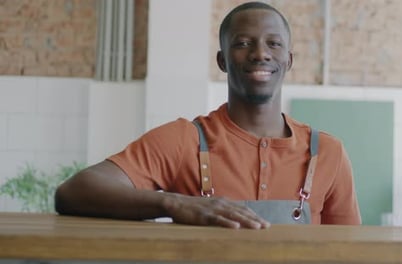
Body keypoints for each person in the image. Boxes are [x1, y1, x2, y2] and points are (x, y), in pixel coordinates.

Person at [55, 1, 361, 229]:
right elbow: (74, 192)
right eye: (242, 43)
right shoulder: (183, 140)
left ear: (289, 60)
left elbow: (352, 253)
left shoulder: (327, 153)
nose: (260, 53)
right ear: (222, 60)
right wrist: (173, 203)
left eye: (274, 43)